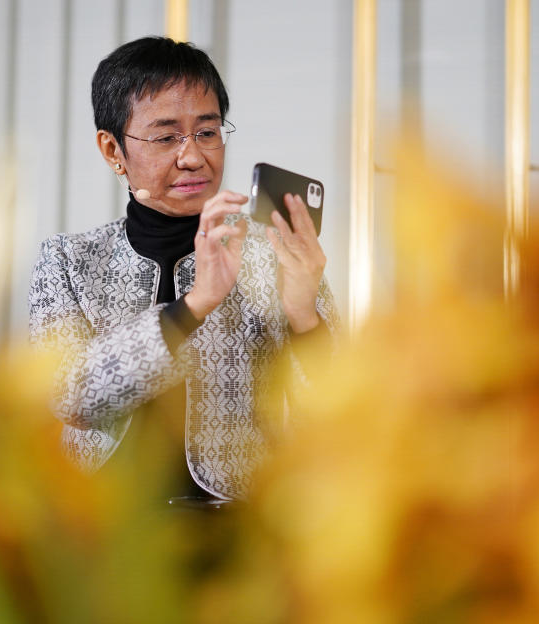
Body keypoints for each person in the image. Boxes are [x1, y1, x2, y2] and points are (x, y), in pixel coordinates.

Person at [28, 36, 337, 501]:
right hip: (102, 527)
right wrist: (193, 306)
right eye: (166, 136)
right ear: (113, 151)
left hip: (240, 525)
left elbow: (338, 410)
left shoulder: (277, 252)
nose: (193, 156)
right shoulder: (70, 261)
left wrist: (303, 317)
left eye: (207, 132)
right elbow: (70, 397)